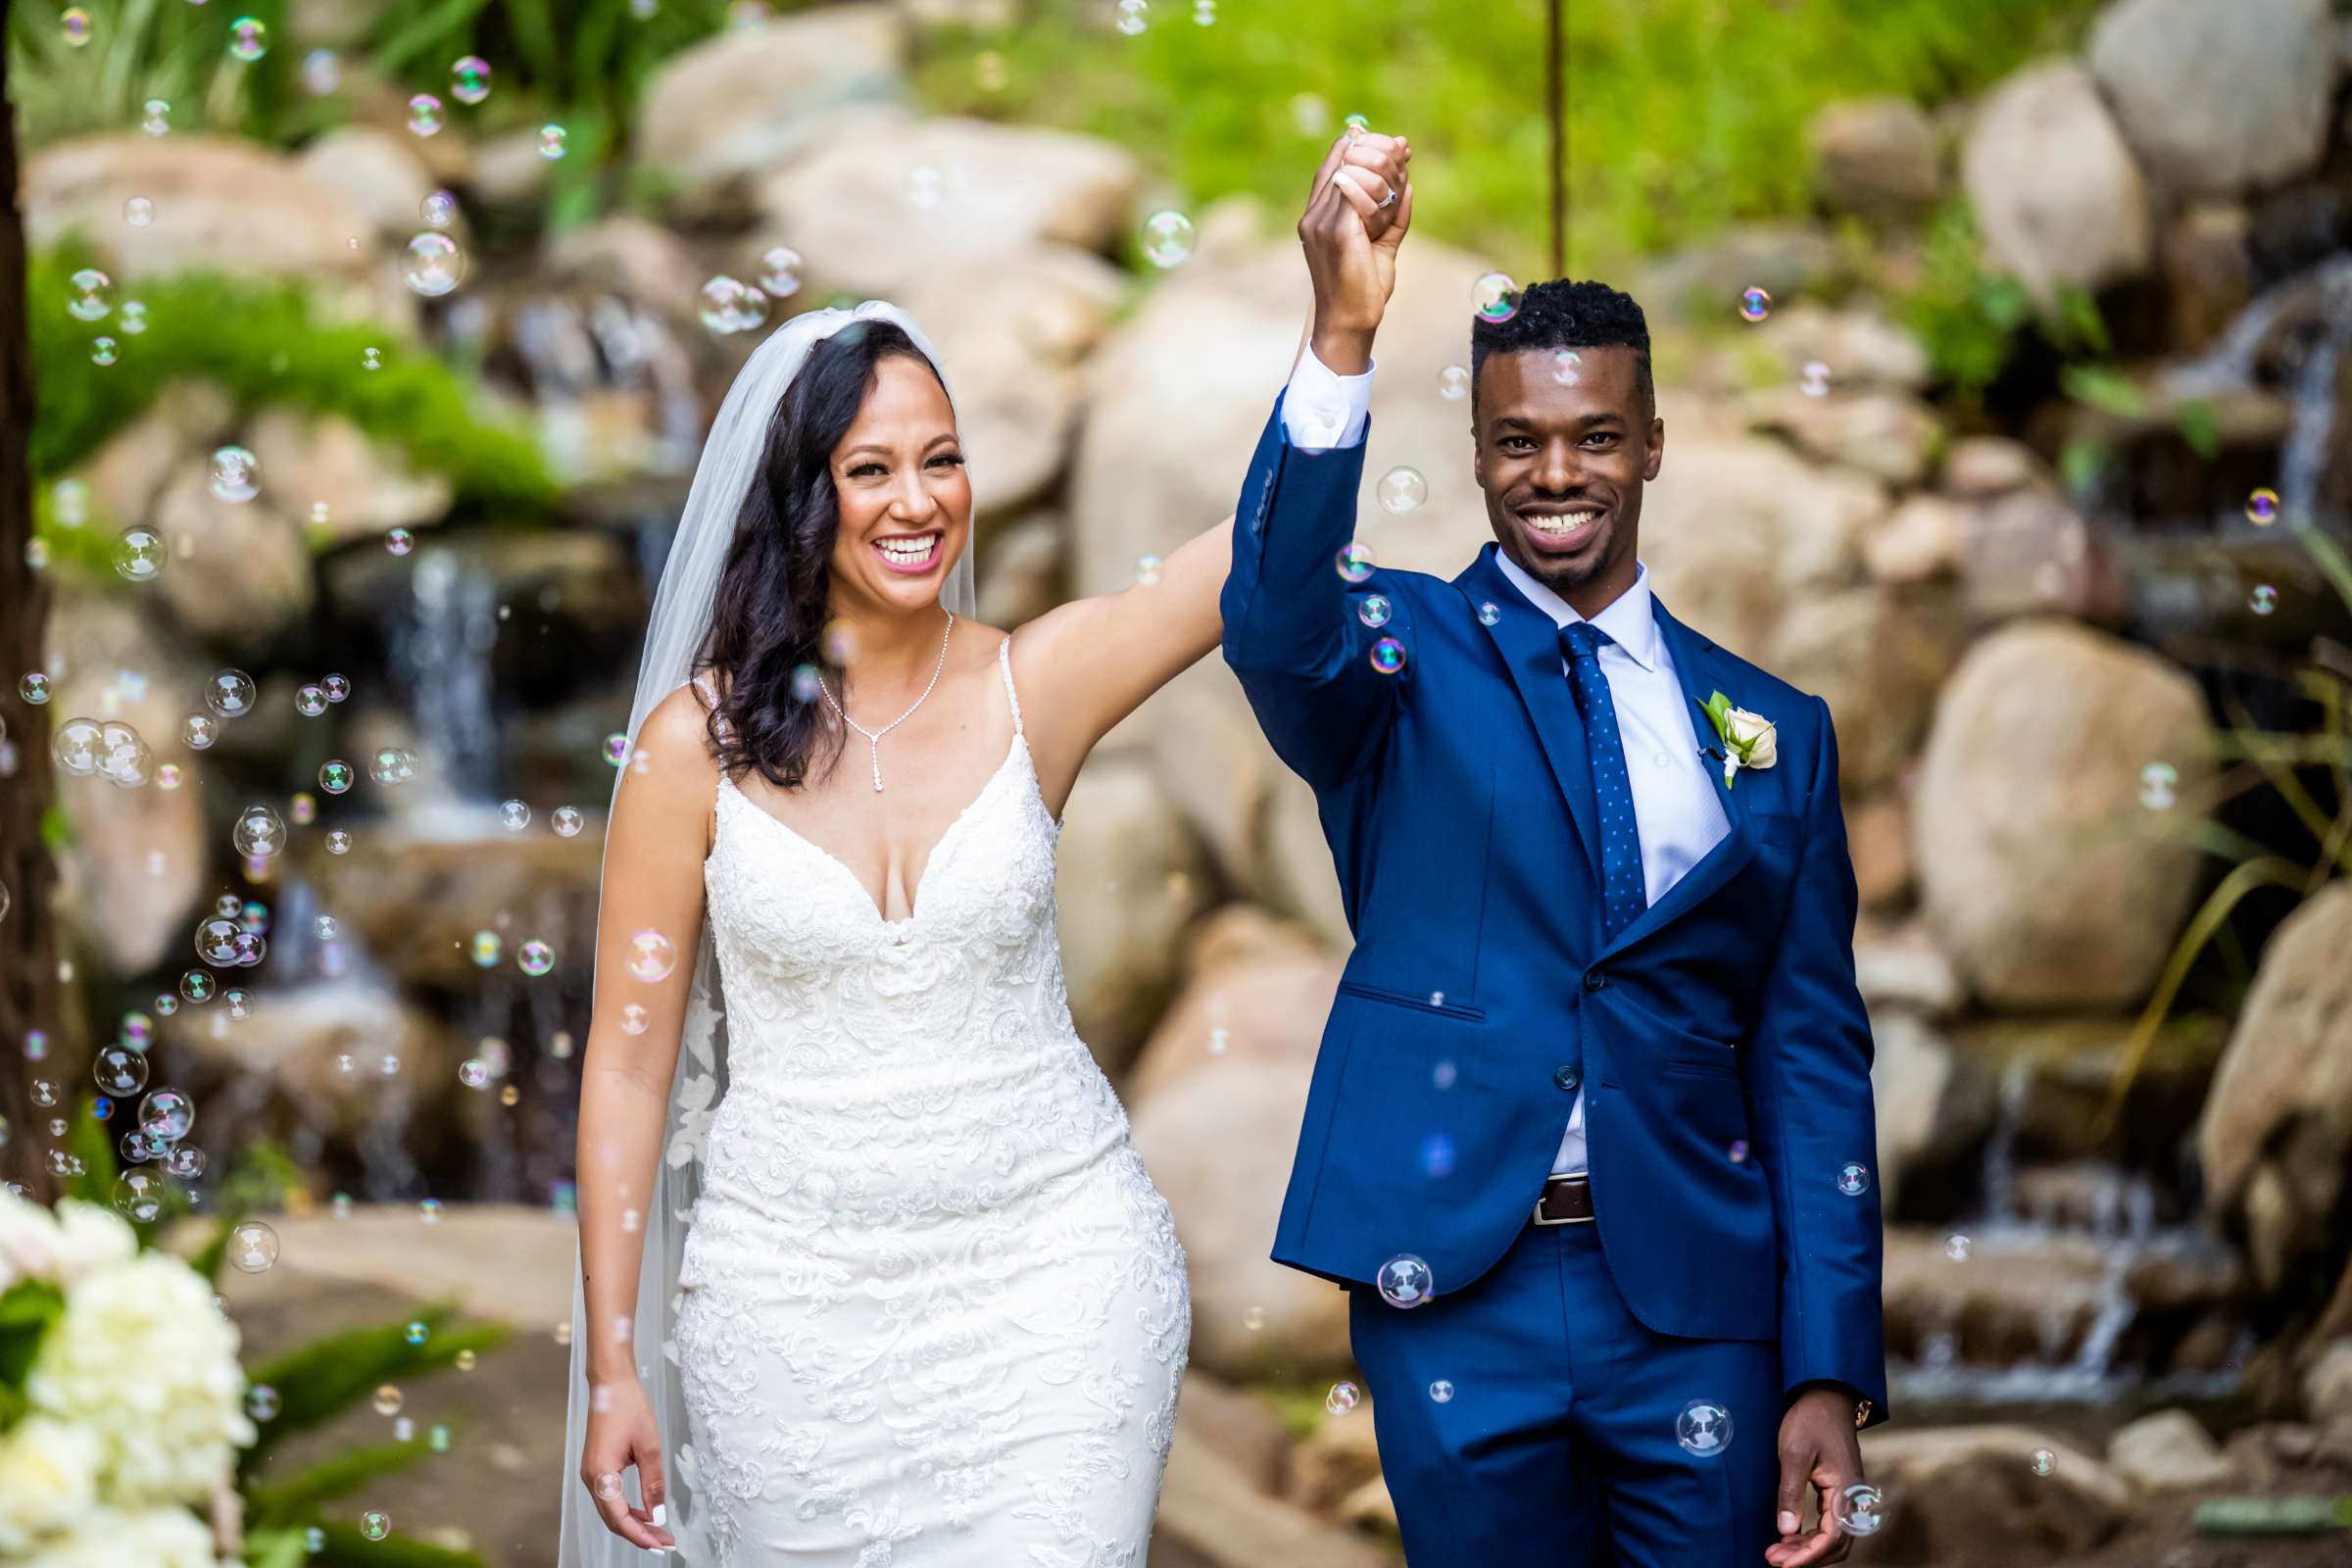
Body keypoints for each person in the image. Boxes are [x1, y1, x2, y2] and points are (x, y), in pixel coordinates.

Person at [558, 126, 1412, 1568]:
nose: (919, 502)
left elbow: (1255, 552)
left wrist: (1338, 326)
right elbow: (630, 1061)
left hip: (1052, 1287)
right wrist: (612, 1363)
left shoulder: (1042, 681)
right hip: (791, 1317)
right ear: (800, 493)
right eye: (871, 467)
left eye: (943, 460)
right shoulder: (689, 749)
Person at [1220, 146, 1887, 1566]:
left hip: (1700, 1303)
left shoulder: (1778, 729)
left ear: (1652, 444)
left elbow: (1813, 1053)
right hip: (1458, 1288)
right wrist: (1342, 332)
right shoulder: (1396, 662)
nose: (1556, 473)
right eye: (1517, 439)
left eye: (1594, 436)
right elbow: (1273, 621)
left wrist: (1829, 1368)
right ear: (1475, 453)